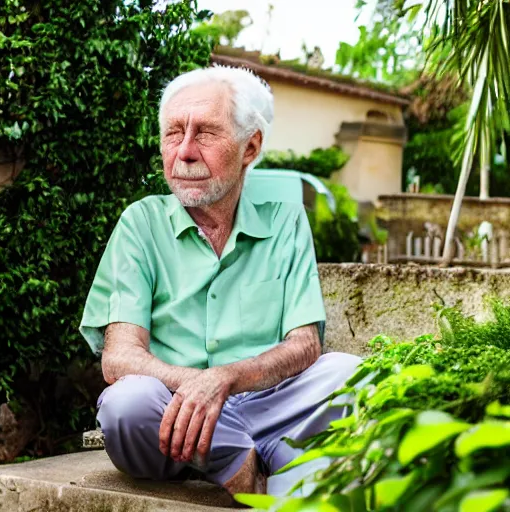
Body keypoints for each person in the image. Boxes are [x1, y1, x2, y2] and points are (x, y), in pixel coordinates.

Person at [80, 66, 360, 497]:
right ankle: (246, 460)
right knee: (126, 405)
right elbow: (119, 357)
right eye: (174, 133)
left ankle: (231, 451)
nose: (185, 152)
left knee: (352, 374)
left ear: (250, 147)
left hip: (267, 404)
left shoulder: (285, 221)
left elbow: (305, 344)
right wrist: (196, 386)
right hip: (170, 412)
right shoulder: (141, 223)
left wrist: (224, 380)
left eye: (205, 133)